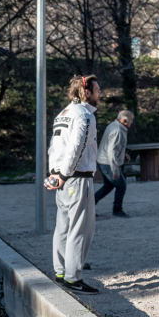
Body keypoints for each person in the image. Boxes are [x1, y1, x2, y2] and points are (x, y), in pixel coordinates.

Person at [46, 75, 101, 294]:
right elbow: (77, 147)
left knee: (63, 227)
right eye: (97, 90)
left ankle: (61, 272)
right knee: (80, 229)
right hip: (77, 178)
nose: (100, 94)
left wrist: (55, 174)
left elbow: (53, 147)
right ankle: (73, 278)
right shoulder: (85, 114)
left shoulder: (63, 113)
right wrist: (65, 173)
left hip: (62, 178)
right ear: (86, 92)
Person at [94, 109, 134, 217]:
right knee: (121, 186)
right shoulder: (118, 131)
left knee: (108, 186)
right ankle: (117, 210)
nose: (132, 122)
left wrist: (123, 155)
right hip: (107, 163)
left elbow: (113, 147)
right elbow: (112, 152)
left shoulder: (114, 125)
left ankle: (90, 206)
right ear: (124, 120)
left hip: (103, 161)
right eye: (131, 120)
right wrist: (115, 170)